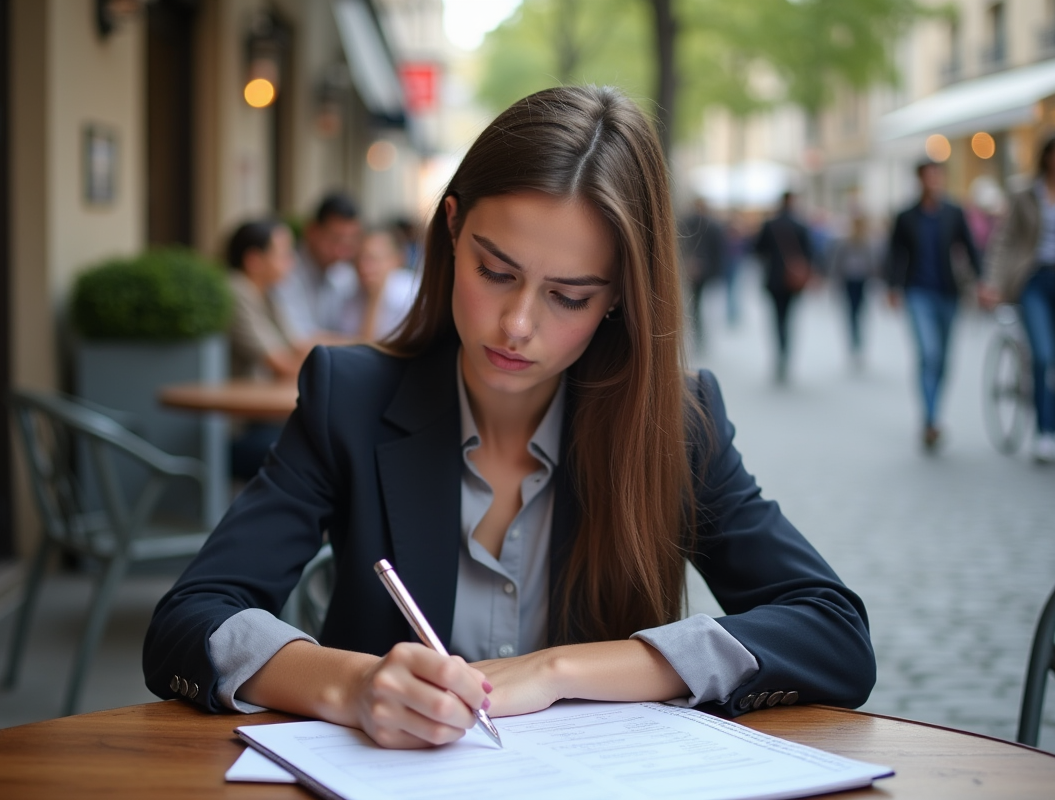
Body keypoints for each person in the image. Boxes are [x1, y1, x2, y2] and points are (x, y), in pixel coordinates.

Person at [144, 86, 874, 750]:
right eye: (496, 271)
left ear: (619, 295)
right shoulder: (350, 398)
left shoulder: (675, 427)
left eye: (570, 295)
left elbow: (832, 634)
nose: (517, 324)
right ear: (452, 228)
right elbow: (189, 621)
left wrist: (558, 670)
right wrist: (350, 686)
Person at [980, 133, 1055, 465]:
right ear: (1049, 157)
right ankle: (1042, 434)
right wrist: (993, 282)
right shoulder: (1025, 193)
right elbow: (1003, 241)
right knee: (1042, 356)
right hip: (1034, 281)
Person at [886, 161, 982, 451]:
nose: (934, 181)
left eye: (938, 176)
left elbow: (969, 248)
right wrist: (892, 287)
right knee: (928, 354)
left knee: (942, 360)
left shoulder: (953, 212)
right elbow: (894, 254)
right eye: (929, 176)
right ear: (920, 180)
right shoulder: (906, 216)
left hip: (948, 294)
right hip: (917, 292)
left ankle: (934, 411)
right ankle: (930, 420)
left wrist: (982, 282)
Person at [223, 219, 306, 480]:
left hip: (262, 418)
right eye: (282, 253)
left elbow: (298, 348)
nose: (291, 261)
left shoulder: (265, 293)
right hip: (238, 430)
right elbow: (281, 362)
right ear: (254, 260)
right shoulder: (236, 291)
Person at [274, 193, 363, 340]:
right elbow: (302, 340)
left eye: (349, 242)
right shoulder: (285, 272)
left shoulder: (343, 274)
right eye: (335, 239)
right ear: (312, 231)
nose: (342, 251)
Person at [753, 192, 814, 383]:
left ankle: (779, 351)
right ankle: (786, 351)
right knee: (789, 317)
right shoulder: (801, 226)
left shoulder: (770, 224)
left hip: (774, 279)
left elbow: (758, 250)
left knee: (776, 318)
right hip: (793, 281)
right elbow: (810, 253)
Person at [340, 228, 419, 341]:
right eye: (359, 259)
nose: (364, 267)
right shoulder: (351, 295)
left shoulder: (412, 293)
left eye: (373, 259)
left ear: (396, 259)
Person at [828, 214, 877, 368]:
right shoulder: (845, 241)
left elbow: (872, 261)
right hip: (849, 280)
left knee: (859, 312)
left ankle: (857, 342)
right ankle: (854, 342)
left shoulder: (866, 241)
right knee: (851, 312)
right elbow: (838, 261)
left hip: (861, 280)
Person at [677, 198, 725, 346]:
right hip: (703, 268)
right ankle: (700, 331)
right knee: (699, 302)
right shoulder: (711, 225)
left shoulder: (689, 223)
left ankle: (699, 330)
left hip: (696, 267)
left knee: (696, 302)